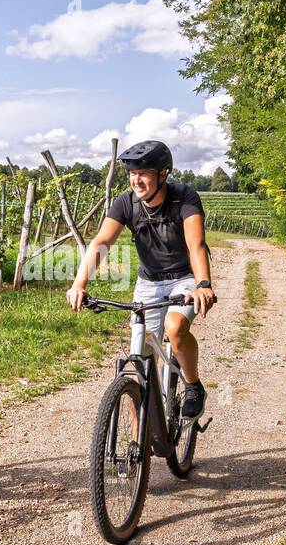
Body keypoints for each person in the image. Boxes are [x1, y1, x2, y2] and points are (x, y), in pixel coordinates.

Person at [66, 139, 216, 418]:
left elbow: (196, 245)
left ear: (163, 174)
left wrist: (203, 284)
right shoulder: (126, 203)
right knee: (139, 364)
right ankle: (140, 446)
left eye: (144, 173)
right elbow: (102, 242)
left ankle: (194, 386)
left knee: (174, 327)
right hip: (148, 283)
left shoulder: (185, 199)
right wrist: (79, 284)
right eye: (132, 173)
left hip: (184, 277)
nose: (137, 180)